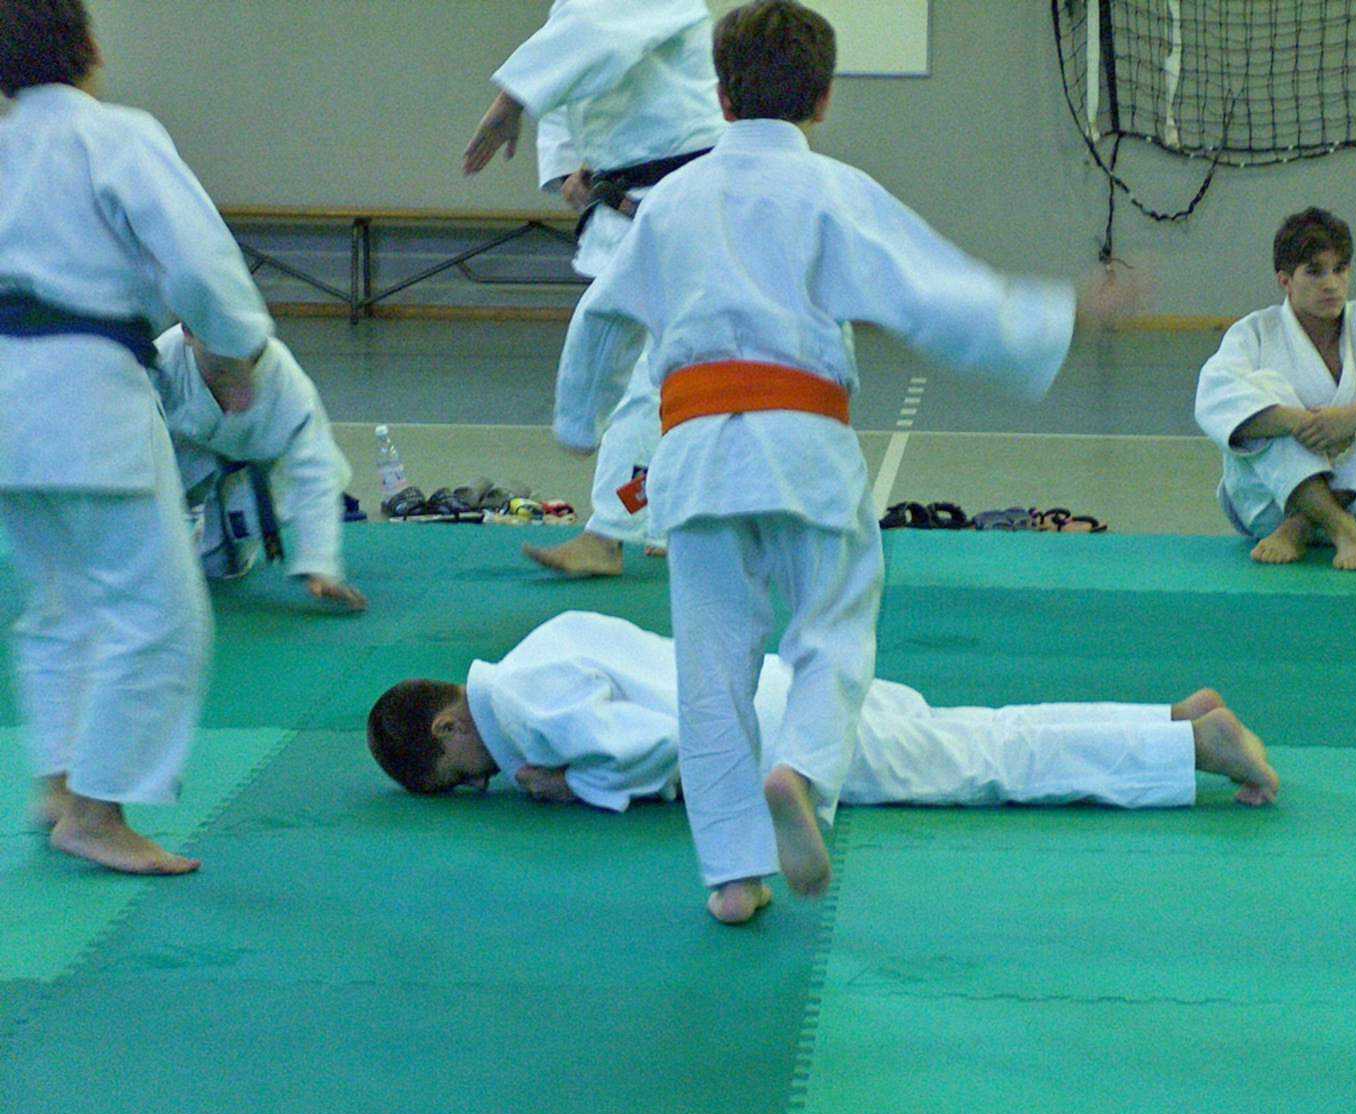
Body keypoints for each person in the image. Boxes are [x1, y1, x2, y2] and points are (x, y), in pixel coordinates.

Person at [552, 1, 1135, 923]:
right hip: (803, 445)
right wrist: (1062, 314)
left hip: (694, 455)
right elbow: (937, 296)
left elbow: (603, 317)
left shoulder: (672, 203)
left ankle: (732, 876)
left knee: (709, 671)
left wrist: (578, 420)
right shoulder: (833, 191)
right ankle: (804, 770)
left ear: (719, 96)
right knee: (832, 630)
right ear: (823, 99)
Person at [367, 612, 1279, 921]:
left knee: (984, 763)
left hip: (776, 736)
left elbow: (669, 741)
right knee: (974, 731)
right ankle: (1167, 720)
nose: (488, 782)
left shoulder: (524, 704)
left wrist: (575, 784)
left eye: (466, 775)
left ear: (450, 725)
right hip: (783, 683)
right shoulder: (544, 641)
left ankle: (1190, 748)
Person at [0, 0, 272, 873]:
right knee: (156, 610)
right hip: (82, 397)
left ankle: (59, 782)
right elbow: (200, 264)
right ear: (88, 47)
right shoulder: (113, 135)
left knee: (58, 601)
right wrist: (231, 355)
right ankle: (96, 813)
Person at [462, 0, 724, 578]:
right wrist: (568, 171)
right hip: (634, 201)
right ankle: (656, 519)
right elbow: (574, 63)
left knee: (654, 375)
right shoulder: (576, 15)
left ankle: (613, 530)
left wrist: (509, 102)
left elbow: (591, 36)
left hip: (680, 198)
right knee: (658, 373)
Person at [1194, 207, 1356, 571]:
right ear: (1285, 280)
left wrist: (1353, 417)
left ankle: (1302, 525)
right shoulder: (1254, 333)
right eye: (1314, 271)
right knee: (1263, 392)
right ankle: (1338, 526)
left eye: (1340, 269)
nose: (1331, 284)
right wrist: (1300, 423)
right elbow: (1214, 397)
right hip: (1271, 509)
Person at [152, 325, 367, 611]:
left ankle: (213, 537)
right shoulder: (162, 360)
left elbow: (315, 468)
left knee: (219, 567)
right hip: (173, 454)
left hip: (249, 469)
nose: (234, 386)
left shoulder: (282, 376)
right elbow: (122, 443)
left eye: (242, 367)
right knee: (139, 556)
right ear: (188, 334)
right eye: (221, 370)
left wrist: (320, 565)